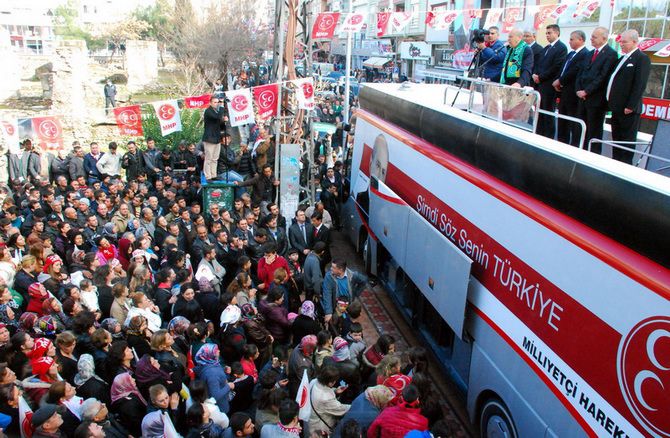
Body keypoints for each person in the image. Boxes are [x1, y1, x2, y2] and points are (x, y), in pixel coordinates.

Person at [606, 29, 651, 164]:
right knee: (617, 139)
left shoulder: (641, 59)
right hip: (616, 107)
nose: (621, 44)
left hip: (628, 110)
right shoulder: (622, 59)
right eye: (620, 41)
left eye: (624, 42)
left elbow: (640, 84)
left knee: (626, 141)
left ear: (634, 42)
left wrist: (630, 105)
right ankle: (616, 163)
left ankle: (625, 165)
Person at [575, 27, 618, 150]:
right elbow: (581, 72)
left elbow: (602, 77)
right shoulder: (589, 54)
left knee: (593, 132)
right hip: (582, 99)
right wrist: (578, 89)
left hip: (596, 100)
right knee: (581, 130)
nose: (591, 39)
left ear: (604, 38)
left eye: (594, 37)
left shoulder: (611, 54)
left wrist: (586, 91)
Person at [553, 30, 590, 147]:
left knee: (572, 123)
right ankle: (561, 143)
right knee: (562, 122)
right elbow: (563, 70)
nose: (569, 42)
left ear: (580, 40)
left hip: (573, 95)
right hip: (563, 92)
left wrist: (560, 81)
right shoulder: (570, 54)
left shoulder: (585, 54)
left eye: (572, 39)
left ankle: (571, 147)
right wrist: (559, 80)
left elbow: (574, 71)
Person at [532, 24, 567, 139]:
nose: (547, 35)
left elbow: (556, 67)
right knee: (539, 111)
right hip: (540, 85)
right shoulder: (546, 48)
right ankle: (539, 134)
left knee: (548, 111)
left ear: (557, 33)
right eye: (546, 33)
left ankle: (548, 136)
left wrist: (541, 77)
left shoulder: (561, 48)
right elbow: (538, 63)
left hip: (549, 85)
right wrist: (535, 75)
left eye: (549, 33)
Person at [321, 258, 367, 326]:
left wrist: (356, 293)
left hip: (348, 303)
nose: (331, 269)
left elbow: (364, 281)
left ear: (340, 270)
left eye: (333, 267)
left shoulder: (353, 275)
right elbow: (327, 293)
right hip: (337, 306)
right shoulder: (329, 277)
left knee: (347, 322)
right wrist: (328, 312)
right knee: (335, 320)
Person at [308, 365, 350, 436]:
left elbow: (323, 391)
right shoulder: (326, 399)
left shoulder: (314, 381)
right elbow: (340, 409)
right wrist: (355, 405)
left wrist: (335, 391)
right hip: (320, 429)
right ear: (331, 382)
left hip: (311, 421)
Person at [202, 96, 226, 181]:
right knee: (209, 158)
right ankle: (208, 176)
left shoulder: (217, 111)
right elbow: (216, 117)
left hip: (217, 138)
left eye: (217, 102)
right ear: (210, 103)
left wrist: (224, 120)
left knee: (215, 158)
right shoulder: (208, 111)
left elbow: (220, 124)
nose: (216, 104)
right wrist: (222, 107)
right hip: (209, 138)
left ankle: (214, 174)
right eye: (215, 102)